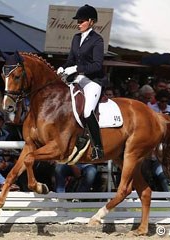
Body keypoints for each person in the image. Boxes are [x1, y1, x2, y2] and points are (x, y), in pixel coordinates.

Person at [57, 4, 105, 160]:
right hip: (78, 78)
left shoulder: (97, 40)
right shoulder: (76, 38)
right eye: (78, 20)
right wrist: (62, 67)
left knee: (87, 111)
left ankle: (98, 147)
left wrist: (77, 68)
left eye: (82, 20)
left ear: (91, 21)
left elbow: (97, 65)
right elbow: (70, 60)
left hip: (93, 81)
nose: (78, 23)